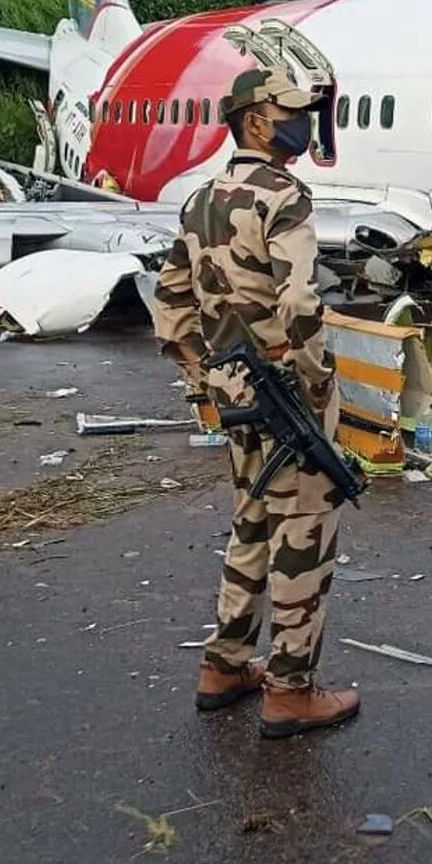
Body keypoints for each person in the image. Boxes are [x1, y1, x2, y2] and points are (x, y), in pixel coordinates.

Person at [152, 67, 360, 740]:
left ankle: (225, 663)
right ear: (256, 121)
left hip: (234, 389)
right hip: (284, 387)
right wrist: (318, 380)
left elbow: (172, 302)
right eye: (289, 110)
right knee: (302, 531)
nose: (301, 122)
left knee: (251, 520)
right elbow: (299, 302)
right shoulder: (283, 195)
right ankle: (291, 690)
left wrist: (200, 377)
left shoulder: (200, 199)